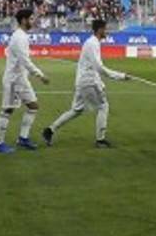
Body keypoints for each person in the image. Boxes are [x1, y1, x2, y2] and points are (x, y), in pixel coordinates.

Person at [43, 19, 132, 148]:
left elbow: (92, 67)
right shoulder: (93, 44)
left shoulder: (92, 43)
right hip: (88, 82)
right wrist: (121, 76)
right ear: (100, 30)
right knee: (103, 107)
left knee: (76, 110)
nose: (106, 32)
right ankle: (100, 140)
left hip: (83, 81)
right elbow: (99, 68)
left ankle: (50, 130)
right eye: (105, 29)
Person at [0, 9, 51, 153]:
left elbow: (12, 54)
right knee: (8, 109)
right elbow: (25, 60)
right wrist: (40, 75)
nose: (33, 21)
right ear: (24, 20)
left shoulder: (21, 36)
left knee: (33, 106)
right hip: (14, 80)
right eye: (31, 19)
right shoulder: (19, 37)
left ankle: (23, 138)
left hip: (21, 79)